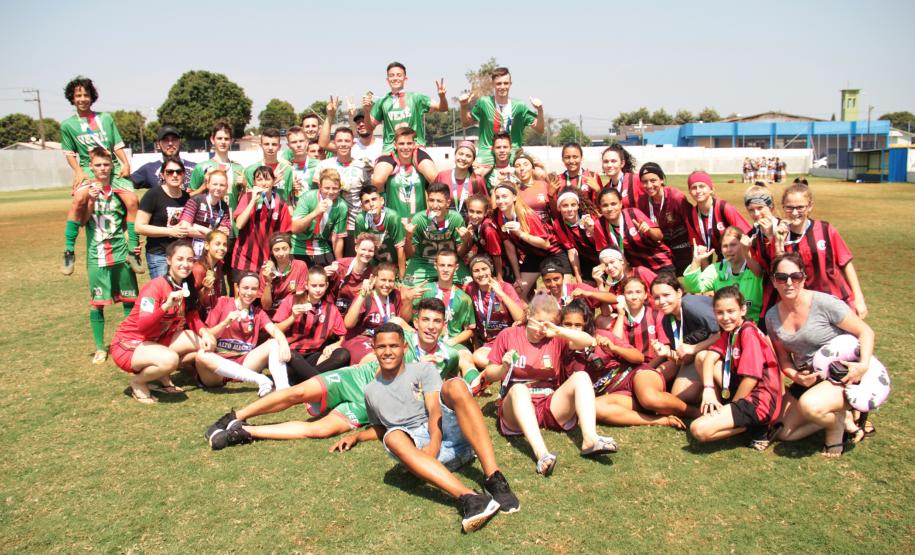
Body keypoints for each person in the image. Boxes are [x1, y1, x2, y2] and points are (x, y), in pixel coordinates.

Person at [330, 323, 520, 533]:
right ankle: (472, 499)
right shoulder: (371, 392)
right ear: (373, 348)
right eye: (381, 346)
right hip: (424, 456)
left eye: (393, 345)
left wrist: (434, 444)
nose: (387, 352)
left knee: (455, 385)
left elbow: (434, 410)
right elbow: (381, 429)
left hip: (449, 435)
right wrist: (357, 437)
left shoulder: (423, 370)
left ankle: (493, 478)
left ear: (404, 347)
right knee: (393, 437)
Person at [203, 299, 463, 449]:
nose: (430, 327)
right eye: (426, 320)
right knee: (298, 392)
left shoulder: (448, 356)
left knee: (319, 431)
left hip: (370, 407)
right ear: (416, 322)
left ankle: (245, 432)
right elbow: (373, 352)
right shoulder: (400, 335)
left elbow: (460, 378)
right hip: (357, 379)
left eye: (437, 322)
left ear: (444, 326)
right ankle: (235, 416)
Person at [483, 295, 619, 476]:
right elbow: (489, 373)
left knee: (582, 377)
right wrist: (503, 368)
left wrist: (559, 331)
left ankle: (590, 439)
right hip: (517, 405)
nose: (542, 328)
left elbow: (588, 341)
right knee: (519, 389)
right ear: (528, 315)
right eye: (538, 322)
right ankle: (542, 455)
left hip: (548, 402)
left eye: (547, 323)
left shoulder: (554, 337)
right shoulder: (508, 335)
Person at [764, 253, 876, 457]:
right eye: (781, 278)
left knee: (810, 406)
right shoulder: (772, 317)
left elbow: (865, 332)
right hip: (809, 378)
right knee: (783, 432)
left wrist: (863, 366)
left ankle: (835, 428)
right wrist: (797, 377)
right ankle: (838, 418)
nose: (789, 282)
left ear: (804, 278)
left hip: (843, 375)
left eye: (795, 276)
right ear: (773, 281)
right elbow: (784, 359)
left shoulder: (824, 304)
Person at [110, 240, 210, 404]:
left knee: (203, 343)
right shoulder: (154, 287)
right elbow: (143, 326)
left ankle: (162, 376)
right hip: (130, 344)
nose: (185, 264)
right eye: (180, 259)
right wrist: (165, 306)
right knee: (170, 359)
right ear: (169, 260)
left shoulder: (185, 285)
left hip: (155, 340)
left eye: (190, 260)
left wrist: (205, 332)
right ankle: (139, 381)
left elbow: (191, 314)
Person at [560, 300, 686, 429]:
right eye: (568, 325)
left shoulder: (601, 336)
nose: (573, 329)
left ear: (585, 325)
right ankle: (659, 420)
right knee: (594, 408)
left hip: (634, 375)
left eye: (578, 325)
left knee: (649, 398)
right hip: (615, 395)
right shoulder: (560, 351)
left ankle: (693, 412)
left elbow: (639, 358)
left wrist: (614, 348)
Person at [60, 76, 139, 275]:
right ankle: (69, 251)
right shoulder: (68, 125)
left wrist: (125, 163)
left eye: (86, 94)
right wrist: (78, 171)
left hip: (109, 165)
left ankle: (133, 251)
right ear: (72, 97)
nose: (82, 99)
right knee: (79, 199)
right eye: (78, 95)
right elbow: (69, 154)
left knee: (132, 200)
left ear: (92, 97)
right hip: (88, 168)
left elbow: (117, 145)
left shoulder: (105, 118)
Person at [690, 286, 783, 448]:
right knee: (702, 357)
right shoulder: (732, 330)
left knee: (698, 430)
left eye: (731, 311)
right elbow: (709, 358)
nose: (725, 317)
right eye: (720, 312)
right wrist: (708, 389)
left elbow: (751, 378)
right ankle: (717, 409)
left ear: (742, 309)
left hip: (760, 401)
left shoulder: (748, 333)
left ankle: (759, 428)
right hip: (744, 389)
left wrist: (733, 406)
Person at [78, 148, 139, 364]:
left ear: (111, 165)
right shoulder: (86, 190)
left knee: (130, 299)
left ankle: (129, 340)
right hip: (97, 254)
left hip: (121, 253)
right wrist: (91, 203)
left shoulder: (120, 189)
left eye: (106, 165)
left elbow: (129, 219)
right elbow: (83, 221)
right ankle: (100, 348)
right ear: (91, 167)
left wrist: (132, 245)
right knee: (97, 303)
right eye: (98, 165)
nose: (102, 169)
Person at [772, 182, 867, 317]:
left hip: (838, 301)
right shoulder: (780, 237)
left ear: (810, 206)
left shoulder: (825, 229)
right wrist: (779, 245)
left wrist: (859, 297)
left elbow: (845, 264)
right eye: (789, 208)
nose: (794, 212)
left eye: (800, 207)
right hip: (805, 308)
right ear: (783, 207)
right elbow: (780, 274)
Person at [195, 272, 292, 397]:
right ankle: (260, 379)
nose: (249, 292)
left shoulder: (258, 313)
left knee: (274, 342)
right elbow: (208, 336)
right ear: (237, 288)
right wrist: (225, 323)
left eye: (254, 289)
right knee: (201, 355)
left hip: (245, 363)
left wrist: (283, 343)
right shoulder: (222, 303)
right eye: (245, 288)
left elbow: (274, 330)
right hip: (218, 368)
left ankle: (283, 387)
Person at [363, 61, 444, 183]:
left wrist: (442, 97)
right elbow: (369, 129)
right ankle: (384, 200)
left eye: (399, 75)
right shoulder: (382, 102)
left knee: (436, 179)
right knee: (377, 181)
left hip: (415, 145)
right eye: (392, 75)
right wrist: (366, 110)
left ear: (405, 78)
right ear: (387, 79)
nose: (395, 78)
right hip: (390, 148)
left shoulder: (416, 97)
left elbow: (443, 108)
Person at [651, 272, 720, 405]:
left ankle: (717, 396)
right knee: (679, 397)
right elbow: (685, 358)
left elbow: (723, 333)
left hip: (718, 354)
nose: (662, 301)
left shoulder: (691, 305)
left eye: (666, 295)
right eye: (656, 297)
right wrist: (668, 353)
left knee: (684, 396)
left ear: (678, 292)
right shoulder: (667, 320)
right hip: (696, 358)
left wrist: (695, 348)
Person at [273, 266, 351, 384]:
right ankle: (319, 383)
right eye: (314, 286)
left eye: (321, 285)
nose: (318, 290)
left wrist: (335, 345)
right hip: (290, 355)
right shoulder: (292, 300)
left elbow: (343, 336)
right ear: (306, 285)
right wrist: (293, 317)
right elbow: (275, 330)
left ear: (327, 285)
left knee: (343, 354)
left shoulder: (330, 308)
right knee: (293, 356)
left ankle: (304, 379)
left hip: (314, 356)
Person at [459, 66, 545, 167]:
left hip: (513, 154)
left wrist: (540, 110)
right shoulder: (484, 103)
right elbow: (465, 123)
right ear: (493, 84)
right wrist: (463, 106)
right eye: (499, 83)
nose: (502, 86)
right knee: (477, 174)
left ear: (510, 84)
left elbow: (540, 129)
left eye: (506, 83)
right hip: (487, 153)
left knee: (540, 171)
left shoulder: (519, 106)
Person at [492, 181, 566, 298]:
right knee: (518, 292)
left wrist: (520, 233)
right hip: (534, 255)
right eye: (498, 197)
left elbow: (545, 244)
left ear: (515, 197)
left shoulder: (527, 214)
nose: (501, 201)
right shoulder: (498, 215)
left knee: (560, 295)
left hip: (553, 253)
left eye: (505, 196)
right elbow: (509, 247)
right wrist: (518, 277)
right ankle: (529, 315)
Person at [683, 226, 764, 322]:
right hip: (728, 324)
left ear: (742, 244)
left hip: (756, 324)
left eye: (733, 245)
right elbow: (693, 287)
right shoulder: (716, 269)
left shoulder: (755, 266)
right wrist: (696, 261)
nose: (729, 250)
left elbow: (761, 274)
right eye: (725, 246)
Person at [464, 255, 527, 370]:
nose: (481, 274)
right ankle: (505, 366)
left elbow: (520, 318)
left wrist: (501, 294)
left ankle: (503, 366)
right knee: (477, 357)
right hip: (490, 342)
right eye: (476, 270)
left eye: (484, 269)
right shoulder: (470, 289)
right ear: (471, 274)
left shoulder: (505, 287)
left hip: (509, 339)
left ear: (491, 268)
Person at [406, 250, 476, 349]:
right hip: (424, 340)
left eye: (449, 266)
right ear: (436, 266)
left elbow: (470, 330)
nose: (445, 269)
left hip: (452, 344)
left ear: (456, 268)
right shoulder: (425, 290)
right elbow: (407, 319)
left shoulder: (464, 298)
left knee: (466, 359)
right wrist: (408, 299)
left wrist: (452, 341)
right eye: (442, 265)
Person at [231, 166, 292, 280]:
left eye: (267, 179)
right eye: (259, 179)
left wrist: (277, 259)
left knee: (264, 295)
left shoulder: (281, 204)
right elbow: (239, 224)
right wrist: (253, 201)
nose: (263, 183)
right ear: (254, 182)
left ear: (273, 181)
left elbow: (284, 235)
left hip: (267, 260)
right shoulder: (247, 197)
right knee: (242, 296)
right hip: (243, 258)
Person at [342, 262, 409, 364]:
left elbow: (401, 322)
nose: (387, 284)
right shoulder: (366, 297)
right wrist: (362, 296)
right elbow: (348, 324)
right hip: (360, 340)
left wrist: (409, 300)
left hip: (385, 341)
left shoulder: (395, 296)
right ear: (374, 279)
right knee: (377, 358)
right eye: (383, 280)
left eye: (391, 281)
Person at [594, 187, 674, 273]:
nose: (610, 208)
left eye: (613, 204)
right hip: (634, 270)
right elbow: (604, 253)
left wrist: (649, 230)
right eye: (605, 205)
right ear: (600, 207)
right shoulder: (599, 225)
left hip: (659, 264)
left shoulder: (633, 214)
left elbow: (659, 237)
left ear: (621, 204)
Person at [135, 155, 191, 278]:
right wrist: (171, 231)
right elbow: (139, 227)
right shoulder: (153, 195)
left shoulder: (187, 198)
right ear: (162, 175)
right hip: (159, 254)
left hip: (181, 255)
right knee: (164, 293)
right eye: (170, 172)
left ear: (184, 174)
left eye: (179, 172)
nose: (175, 175)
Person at [404, 182, 468, 284]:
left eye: (439, 201)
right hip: (423, 262)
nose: (434, 205)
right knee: (407, 286)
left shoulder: (456, 219)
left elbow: (460, 254)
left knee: (468, 284)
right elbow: (409, 255)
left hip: (448, 263)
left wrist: (465, 241)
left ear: (447, 203)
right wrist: (407, 238)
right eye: (431, 200)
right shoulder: (419, 219)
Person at [635, 162, 692, 273]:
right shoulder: (642, 201)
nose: (649, 185)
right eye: (645, 182)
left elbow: (691, 223)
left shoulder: (676, 197)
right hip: (662, 248)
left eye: (653, 180)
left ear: (661, 180)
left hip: (683, 247)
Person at [683, 171, 751, 261]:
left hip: (741, 258)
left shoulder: (724, 208)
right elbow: (700, 251)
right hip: (722, 260)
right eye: (694, 187)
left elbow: (748, 235)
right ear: (690, 192)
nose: (698, 191)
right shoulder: (691, 216)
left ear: (711, 189)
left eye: (702, 186)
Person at [291, 168, 348, 267]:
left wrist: (340, 264)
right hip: (299, 247)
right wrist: (315, 213)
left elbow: (337, 239)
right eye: (327, 188)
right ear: (320, 186)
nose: (330, 192)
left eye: (334, 188)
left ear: (339, 189)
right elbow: (294, 228)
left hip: (322, 248)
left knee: (330, 276)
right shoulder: (307, 197)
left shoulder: (341, 206)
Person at [372, 127, 428, 222]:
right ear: (395, 145)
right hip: (395, 224)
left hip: (418, 224)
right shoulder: (389, 170)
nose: (405, 147)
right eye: (401, 144)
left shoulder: (421, 169)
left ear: (414, 145)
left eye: (409, 143)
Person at [550, 188, 602, 283]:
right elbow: (571, 250)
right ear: (559, 208)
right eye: (565, 206)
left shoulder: (589, 217)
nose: (570, 209)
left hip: (601, 255)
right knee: (586, 288)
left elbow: (603, 243)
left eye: (573, 205)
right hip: (585, 260)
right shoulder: (558, 224)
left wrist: (592, 230)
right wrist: (578, 276)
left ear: (578, 206)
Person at [353, 185, 406, 275]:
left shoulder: (392, 217)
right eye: (366, 202)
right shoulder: (360, 220)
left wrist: (402, 279)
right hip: (373, 264)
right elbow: (359, 249)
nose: (371, 204)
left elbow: (400, 249)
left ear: (381, 201)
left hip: (394, 263)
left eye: (374, 199)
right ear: (362, 207)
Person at [177, 169, 231, 258]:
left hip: (209, 255)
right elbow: (184, 228)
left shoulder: (224, 207)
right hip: (187, 253)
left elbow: (223, 234)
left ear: (226, 187)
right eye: (215, 184)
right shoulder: (195, 200)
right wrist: (211, 232)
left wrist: (195, 226)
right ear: (208, 185)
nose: (218, 188)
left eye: (222, 185)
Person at [539, 258, 616, 315]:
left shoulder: (578, 289)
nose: (553, 284)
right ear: (543, 280)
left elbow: (613, 299)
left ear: (562, 277)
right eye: (547, 280)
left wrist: (588, 293)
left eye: (556, 279)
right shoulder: (543, 298)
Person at [188, 121, 246, 196]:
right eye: (219, 138)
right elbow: (189, 196)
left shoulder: (239, 169)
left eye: (226, 139)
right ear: (212, 140)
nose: (223, 142)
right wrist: (203, 187)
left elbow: (243, 201)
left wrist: (245, 186)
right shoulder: (201, 168)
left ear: (231, 141)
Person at [131, 125, 196, 191]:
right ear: (158, 145)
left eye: (174, 139)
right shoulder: (149, 169)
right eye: (165, 140)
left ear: (180, 142)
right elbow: (124, 184)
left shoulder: (195, 168)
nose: (170, 143)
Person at [328, 233, 380, 316]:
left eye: (370, 251)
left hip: (357, 316)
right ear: (356, 248)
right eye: (363, 249)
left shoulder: (373, 274)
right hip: (335, 314)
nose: (366, 253)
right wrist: (324, 273)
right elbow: (329, 293)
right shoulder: (340, 266)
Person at [435, 141, 488, 220]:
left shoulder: (477, 180)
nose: (463, 158)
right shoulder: (442, 176)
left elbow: (486, 205)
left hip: (469, 227)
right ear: (455, 155)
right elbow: (432, 199)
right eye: (460, 154)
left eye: (468, 156)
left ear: (473, 160)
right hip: (446, 226)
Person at [259, 232, 308, 316]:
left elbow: (301, 299)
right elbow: (266, 306)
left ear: (290, 248)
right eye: (276, 250)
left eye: (284, 248)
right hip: (272, 314)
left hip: (293, 311)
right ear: (271, 252)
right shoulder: (266, 269)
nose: (281, 253)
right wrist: (268, 283)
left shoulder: (300, 266)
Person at [244, 128, 295, 204]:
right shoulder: (250, 170)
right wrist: (272, 182)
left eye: (274, 144)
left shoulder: (287, 170)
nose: (270, 148)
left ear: (279, 146)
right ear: (261, 146)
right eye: (266, 144)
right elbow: (249, 200)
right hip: (259, 214)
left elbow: (288, 199)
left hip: (281, 214)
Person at [461, 194, 503, 279]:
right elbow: (466, 250)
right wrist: (467, 239)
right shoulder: (470, 222)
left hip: (499, 267)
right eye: (471, 211)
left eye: (479, 212)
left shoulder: (488, 230)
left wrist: (499, 278)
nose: (474, 215)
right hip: (484, 263)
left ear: (485, 213)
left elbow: (496, 254)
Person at [191, 229, 228, 319]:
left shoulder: (218, 265)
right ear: (207, 245)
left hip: (212, 315)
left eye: (225, 245)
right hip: (197, 318)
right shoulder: (198, 269)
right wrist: (205, 290)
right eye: (217, 244)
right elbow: (191, 300)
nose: (222, 248)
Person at [513, 152, 552, 226]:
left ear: (533, 167)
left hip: (546, 232)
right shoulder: (514, 190)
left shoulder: (544, 185)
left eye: (526, 164)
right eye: (517, 166)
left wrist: (544, 167)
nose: (522, 168)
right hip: (526, 232)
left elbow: (555, 210)